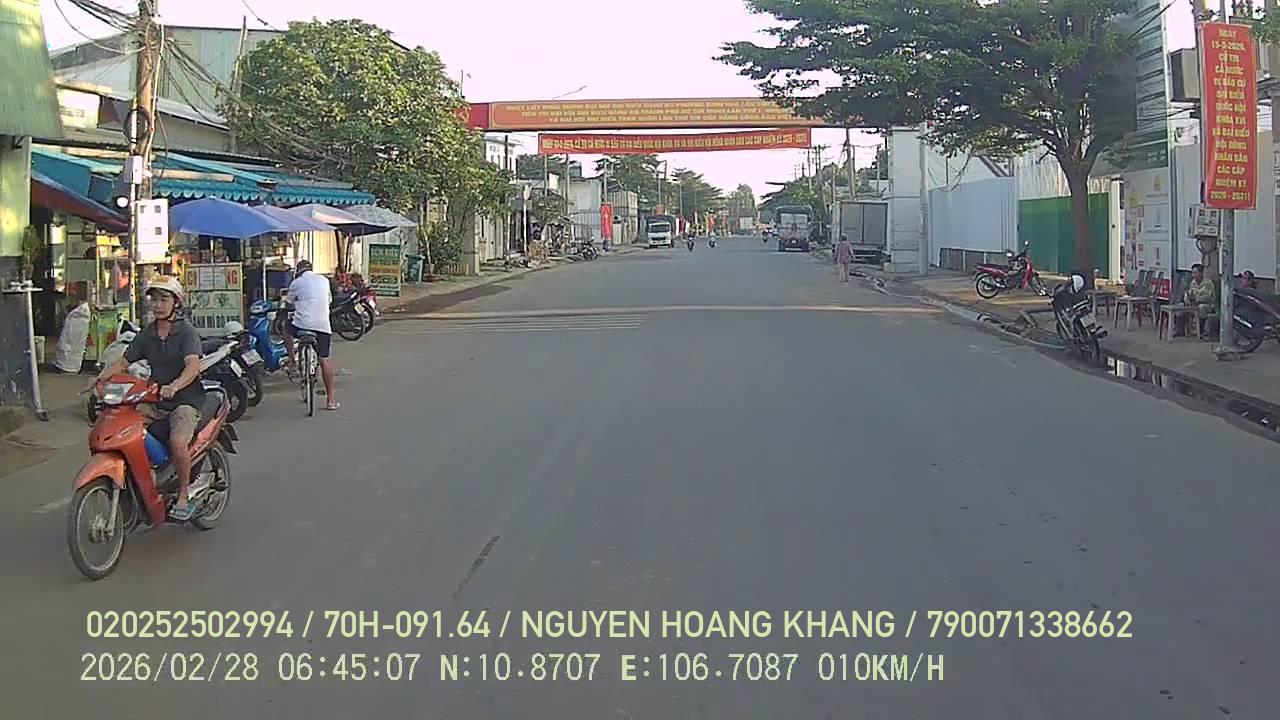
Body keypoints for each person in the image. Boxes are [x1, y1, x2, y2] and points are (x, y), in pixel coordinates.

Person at [97, 276, 204, 521]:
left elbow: (192, 366)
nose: (157, 305)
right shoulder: (148, 333)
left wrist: (175, 386)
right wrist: (100, 379)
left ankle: (184, 493)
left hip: (184, 400)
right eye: (154, 300)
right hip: (154, 399)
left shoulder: (186, 332)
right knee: (121, 427)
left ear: (176, 303)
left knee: (178, 441)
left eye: (163, 300)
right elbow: (124, 362)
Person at [284, 259, 338, 410]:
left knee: (286, 329)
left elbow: (288, 303)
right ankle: (331, 400)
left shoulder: (296, 283)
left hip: (301, 325)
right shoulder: (324, 281)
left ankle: (292, 361)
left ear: (298, 271)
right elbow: (329, 301)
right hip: (323, 327)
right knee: (324, 359)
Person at [1182, 263, 1217, 338]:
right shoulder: (1193, 283)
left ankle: (1201, 331)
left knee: (1201, 307)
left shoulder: (1208, 283)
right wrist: (1187, 297)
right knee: (1181, 307)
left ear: (1201, 273)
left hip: (1208, 305)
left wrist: (1197, 299)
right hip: (1195, 304)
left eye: (1195, 273)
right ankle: (1181, 331)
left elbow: (1208, 297)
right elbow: (1190, 293)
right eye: (1192, 273)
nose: (1193, 275)